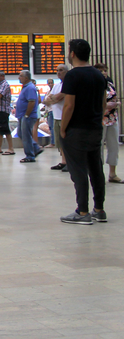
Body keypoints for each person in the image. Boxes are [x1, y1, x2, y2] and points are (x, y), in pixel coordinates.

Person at [59, 39, 108, 224]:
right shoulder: (99, 75)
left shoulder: (73, 76)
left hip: (76, 130)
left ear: (72, 54)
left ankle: (82, 212)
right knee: (96, 169)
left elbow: (69, 106)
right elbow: (103, 104)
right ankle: (99, 209)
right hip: (95, 128)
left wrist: (63, 129)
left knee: (78, 171)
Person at [46, 64, 68, 171]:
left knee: (67, 141)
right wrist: (53, 98)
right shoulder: (56, 86)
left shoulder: (69, 84)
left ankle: (69, 162)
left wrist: (53, 98)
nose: (59, 72)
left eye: (61, 70)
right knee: (60, 142)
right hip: (56, 116)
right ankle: (64, 161)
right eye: (57, 70)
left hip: (65, 117)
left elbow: (58, 97)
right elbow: (47, 100)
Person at [16, 70, 41, 163]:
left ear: (26, 78)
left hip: (28, 116)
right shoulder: (25, 87)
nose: (19, 78)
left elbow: (32, 101)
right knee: (21, 133)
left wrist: (27, 114)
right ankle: (35, 148)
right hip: (23, 115)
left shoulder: (30, 88)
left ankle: (30, 156)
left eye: (20, 76)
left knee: (26, 136)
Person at [45, 78, 56, 148]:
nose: (50, 84)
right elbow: (44, 101)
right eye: (49, 83)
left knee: (52, 127)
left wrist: (48, 101)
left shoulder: (54, 91)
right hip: (48, 110)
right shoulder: (48, 92)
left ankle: (53, 142)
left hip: (53, 111)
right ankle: (53, 141)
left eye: (51, 83)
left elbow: (52, 100)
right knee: (50, 127)